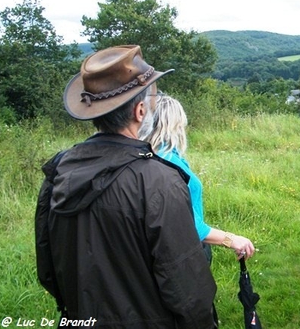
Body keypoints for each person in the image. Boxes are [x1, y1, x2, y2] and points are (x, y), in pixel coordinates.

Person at [35, 45, 218, 328]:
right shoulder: (159, 180)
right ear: (140, 110)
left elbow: (47, 265)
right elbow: (186, 284)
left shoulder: (59, 170)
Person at [138, 94, 255, 262]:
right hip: (180, 253)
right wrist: (231, 239)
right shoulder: (167, 162)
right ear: (175, 123)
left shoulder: (153, 155)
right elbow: (188, 223)